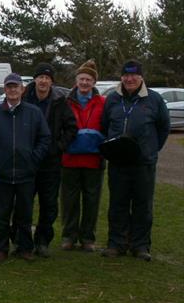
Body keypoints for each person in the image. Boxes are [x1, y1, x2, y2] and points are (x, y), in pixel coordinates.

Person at [101, 60, 169, 261]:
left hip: (143, 164)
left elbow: (163, 128)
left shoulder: (154, 99)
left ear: (141, 77)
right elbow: (105, 126)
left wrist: (151, 149)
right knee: (117, 204)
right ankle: (116, 243)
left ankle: (140, 245)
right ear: (121, 77)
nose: (130, 79)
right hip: (119, 164)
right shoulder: (113, 99)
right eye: (126, 75)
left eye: (134, 75)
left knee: (142, 205)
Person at [0, 73, 50, 262]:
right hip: (2, 173)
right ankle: (1, 249)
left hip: (26, 173)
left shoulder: (33, 112)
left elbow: (44, 138)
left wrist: (33, 159)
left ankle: (24, 247)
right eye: (9, 87)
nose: (12, 90)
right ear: (5, 89)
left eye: (15, 87)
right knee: (1, 215)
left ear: (22, 89)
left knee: (25, 213)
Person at [22, 63, 77, 257]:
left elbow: (71, 128)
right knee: (23, 202)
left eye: (47, 78)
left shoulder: (60, 102)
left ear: (51, 82)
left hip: (50, 163)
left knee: (49, 204)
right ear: (35, 79)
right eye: (40, 77)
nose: (43, 81)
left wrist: (59, 147)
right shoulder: (22, 98)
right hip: (26, 161)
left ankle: (43, 241)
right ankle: (22, 241)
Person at [60, 60, 106, 252]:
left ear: (94, 82)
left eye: (88, 79)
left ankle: (87, 237)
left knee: (91, 200)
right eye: (82, 79)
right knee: (69, 201)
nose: (85, 83)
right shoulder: (65, 102)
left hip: (94, 160)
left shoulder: (103, 103)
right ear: (76, 81)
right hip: (69, 159)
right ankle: (69, 236)